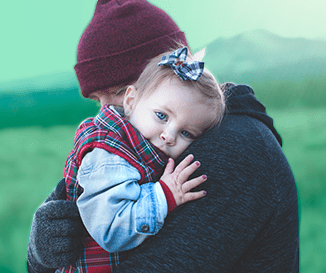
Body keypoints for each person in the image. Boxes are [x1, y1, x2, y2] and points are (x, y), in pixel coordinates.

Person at [27, 0, 299, 272]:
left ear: (168, 74)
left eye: (120, 93)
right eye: (98, 101)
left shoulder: (233, 151)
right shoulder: (144, 147)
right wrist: (41, 256)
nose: (106, 114)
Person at [58, 46, 225, 272]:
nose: (169, 136)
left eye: (186, 133)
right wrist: (164, 195)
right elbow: (110, 230)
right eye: (161, 116)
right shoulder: (108, 155)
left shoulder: (142, 148)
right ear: (130, 101)